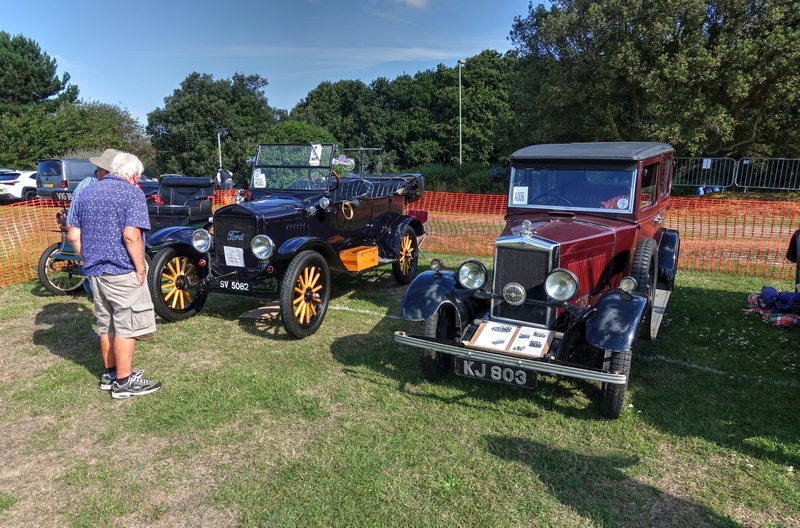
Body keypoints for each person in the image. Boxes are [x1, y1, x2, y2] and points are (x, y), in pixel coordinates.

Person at [67, 152, 162, 399]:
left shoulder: (86, 192)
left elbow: (73, 235)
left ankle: (111, 375)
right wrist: (140, 268)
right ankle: (124, 382)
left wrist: (86, 258)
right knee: (127, 326)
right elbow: (131, 235)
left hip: (94, 272)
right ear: (132, 174)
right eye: (137, 176)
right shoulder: (133, 193)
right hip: (122, 270)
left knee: (106, 324)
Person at [66, 149, 120, 300]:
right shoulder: (84, 188)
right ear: (103, 171)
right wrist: (84, 254)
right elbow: (71, 224)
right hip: (91, 244)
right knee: (98, 294)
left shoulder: (116, 186)